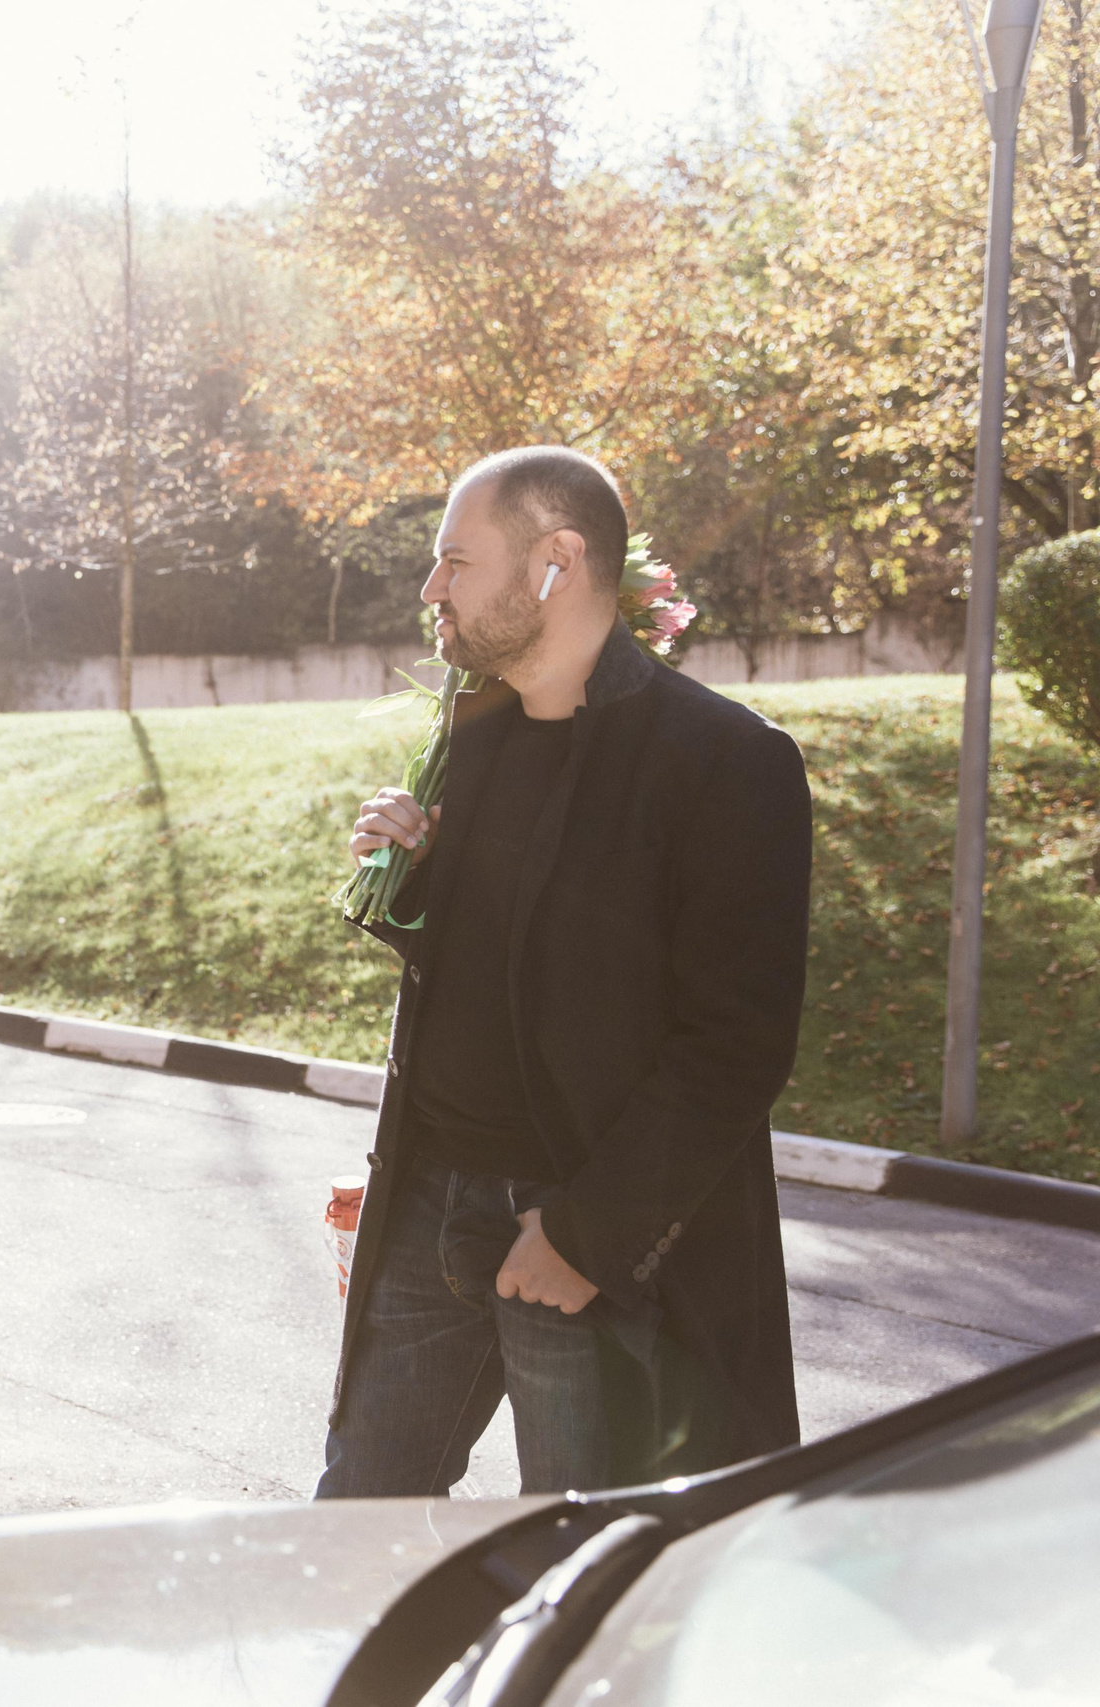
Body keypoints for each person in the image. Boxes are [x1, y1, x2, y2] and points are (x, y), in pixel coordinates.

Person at [315, 446, 812, 1499]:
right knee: (354, 1522)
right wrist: (410, 881)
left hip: (579, 1244)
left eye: (454, 559)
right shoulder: (475, 729)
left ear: (556, 561)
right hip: (428, 1213)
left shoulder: (725, 762)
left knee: (591, 1563)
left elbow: (735, 1044)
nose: (429, 589)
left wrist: (585, 1238)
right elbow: (508, 962)